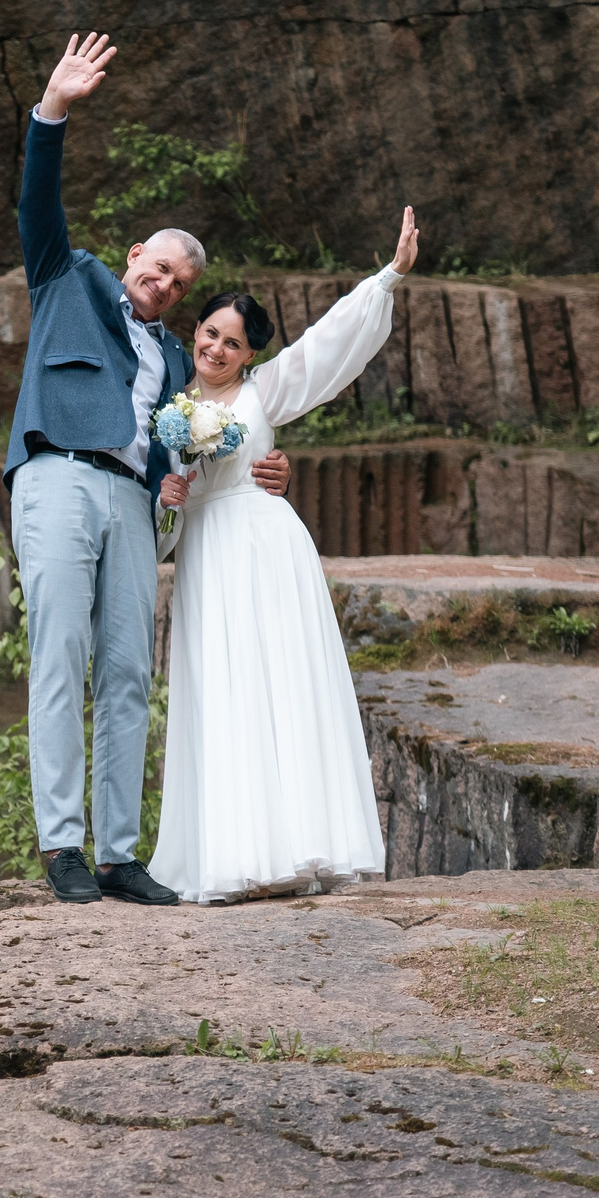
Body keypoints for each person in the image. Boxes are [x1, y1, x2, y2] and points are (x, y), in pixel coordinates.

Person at [3, 32, 292, 907]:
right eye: (158, 268)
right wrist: (53, 107)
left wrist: (266, 465)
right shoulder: (68, 278)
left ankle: (120, 849)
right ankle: (62, 844)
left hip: (132, 500)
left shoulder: (176, 364)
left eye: (181, 283)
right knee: (61, 652)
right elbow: (36, 201)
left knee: (129, 668)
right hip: (56, 474)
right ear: (133, 256)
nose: (165, 285)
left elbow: (213, 433)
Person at [148, 212, 418, 902]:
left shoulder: (263, 392)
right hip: (206, 558)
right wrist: (168, 497)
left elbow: (326, 345)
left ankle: (296, 846)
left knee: (278, 688)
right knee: (218, 692)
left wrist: (388, 275)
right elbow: (162, 505)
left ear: (247, 354)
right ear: (195, 332)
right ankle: (229, 854)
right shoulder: (166, 403)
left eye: (232, 342)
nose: (216, 347)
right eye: (209, 332)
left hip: (266, 550)